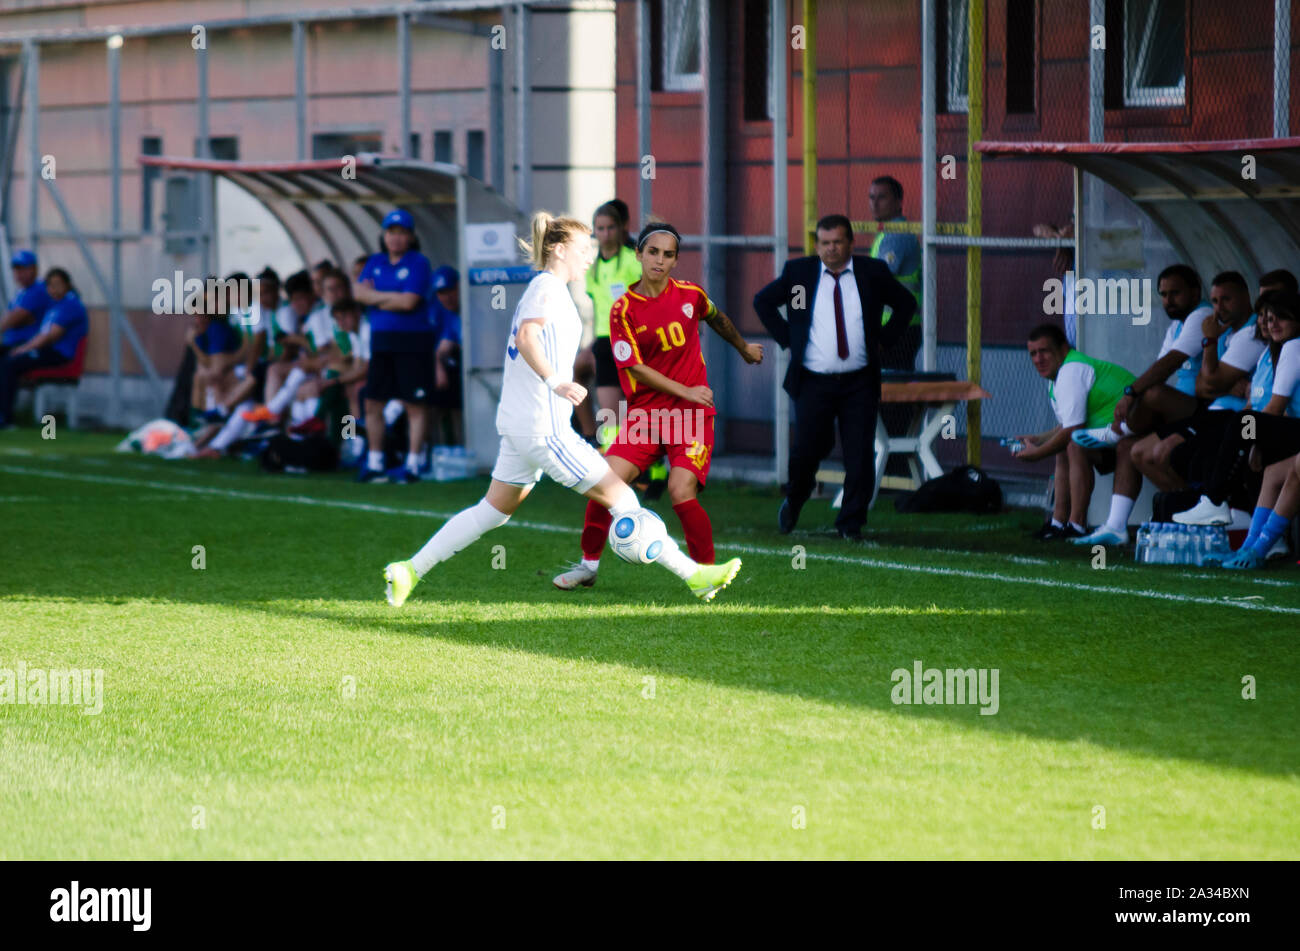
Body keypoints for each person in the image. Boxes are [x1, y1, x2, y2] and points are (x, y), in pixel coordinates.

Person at [382, 212, 742, 607]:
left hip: (520, 427)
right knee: (623, 499)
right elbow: (527, 334)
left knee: (492, 511)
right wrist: (556, 380)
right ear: (558, 249)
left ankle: (410, 569)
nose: (589, 256)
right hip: (544, 429)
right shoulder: (548, 288)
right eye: (582, 248)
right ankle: (694, 575)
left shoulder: (550, 289)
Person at [553, 221, 764, 590]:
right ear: (639, 254)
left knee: (680, 489)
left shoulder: (691, 295)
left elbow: (717, 319)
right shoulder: (623, 310)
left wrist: (744, 347)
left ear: (676, 260)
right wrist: (686, 390)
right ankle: (588, 566)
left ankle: (706, 575)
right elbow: (636, 368)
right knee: (604, 481)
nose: (660, 260)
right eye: (653, 252)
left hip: (692, 416)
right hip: (648, 415)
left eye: (668, 255)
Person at [753, 213, 917, 540]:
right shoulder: (799, 274)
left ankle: (850, 523)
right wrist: (789, 340)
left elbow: (906, 304)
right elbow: (763, 302)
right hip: (814, 381)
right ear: (817, 245)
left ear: (851, 243)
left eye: (838, 242)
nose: (831, 249)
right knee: (806, 451)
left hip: (859, 381)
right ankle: (795, 499)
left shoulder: (872, 273)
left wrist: (884, 339)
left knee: (858, 453)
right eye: (825, 243)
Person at [1072, 271, 1263, 546]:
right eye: (1163, 294)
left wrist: (1131, 392)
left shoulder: (1208, 320)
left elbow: (1177, 368)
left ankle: (1119, 432)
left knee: (1153, 400)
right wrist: (1216, 383)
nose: (1168, 300)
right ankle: (1118, 525)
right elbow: (1202, 383)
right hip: (1204, 410)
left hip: (1217, 415)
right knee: (1132, 449)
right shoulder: (1211, 328)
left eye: (1175, 293)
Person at [1173, 289, 1300, 530]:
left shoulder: (1294, 347)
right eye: (1268, 318)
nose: (1272, 324)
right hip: (1289, 428)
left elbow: (1276, 407)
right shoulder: (1275, 350)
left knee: (1242, 425)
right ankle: (1259, 533)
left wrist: (1257, 439)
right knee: (1241, 434)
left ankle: (1214, 500)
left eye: (1280, 318)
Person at [1012, 324, 1135, 540]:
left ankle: (1076, 525)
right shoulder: (1059, 375)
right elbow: (1070, 423)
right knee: (1066, 444)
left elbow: (1072, 430)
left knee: (1072, 442)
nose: (1038, 359)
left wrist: (1037, 454)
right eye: (1033, 353)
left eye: (1044, 351)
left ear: (1063, 348)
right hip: (1111, 434)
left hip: (1132, 432)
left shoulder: (1071, 371)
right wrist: (1038, 439)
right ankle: (1059, 522)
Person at [353, 208, 436, 483]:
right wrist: (391, 298)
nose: (396, 238)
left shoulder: (419, 263)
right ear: (384, 235)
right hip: (382, 343)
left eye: (401, 233)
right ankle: (375, 462)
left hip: (412, 342)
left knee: (414, 404)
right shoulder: (375, 261)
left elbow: (409, 302)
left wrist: (375, 297)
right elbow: (358, 294)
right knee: (373, 401)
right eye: (391, 232)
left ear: (411, 236)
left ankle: (412, 464)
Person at [582, 200, 642, 446]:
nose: (605, 234)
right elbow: (598, 307)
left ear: (620, 229)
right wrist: (593, 342)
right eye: (600, 228)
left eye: (610, 228)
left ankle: (650, 468)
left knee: (641, 410)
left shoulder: (633, 260)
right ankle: (612, 470)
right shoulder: (592, 268)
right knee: (610, 416)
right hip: (605, 343)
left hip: (632, 341)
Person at [0, 267, 87, 428]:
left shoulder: (70, 304)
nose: (54, 289)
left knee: (10, 363)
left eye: (58, 285)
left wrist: (23, 349)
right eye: (51, 285)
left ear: (67, 285)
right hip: (47, 351)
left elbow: (50, 336)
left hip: (59, 356)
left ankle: (5, 417)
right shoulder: (55, 305)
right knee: (5, 355)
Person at [866, 176, 922, 370]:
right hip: (894, 324)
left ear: (899, 202)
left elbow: (879, 277)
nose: (874, 203)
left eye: (881, 197)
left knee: (892, 388)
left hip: (898, 327)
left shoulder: (897, 235)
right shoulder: (887, 233)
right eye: (871, 197)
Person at [427, 265, 464, 447]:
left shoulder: (473, 310)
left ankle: (463, 446)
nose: (447, 297)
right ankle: (442, 449)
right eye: (442, 293)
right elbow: (441, 349)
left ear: (459, 287)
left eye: (450, 290)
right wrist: (439, 368)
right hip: (457, 372)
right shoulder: (449, 316)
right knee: (438, 394)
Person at [0, 250, 53, 358]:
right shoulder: (21, 292)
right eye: (16, 269)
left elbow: (13, 319)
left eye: (23, 269)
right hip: (12, 343)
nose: (18, 273)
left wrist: (14, 320)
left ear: (34, 269)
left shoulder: (38, 289)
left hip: (26, 344)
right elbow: (11, 317)